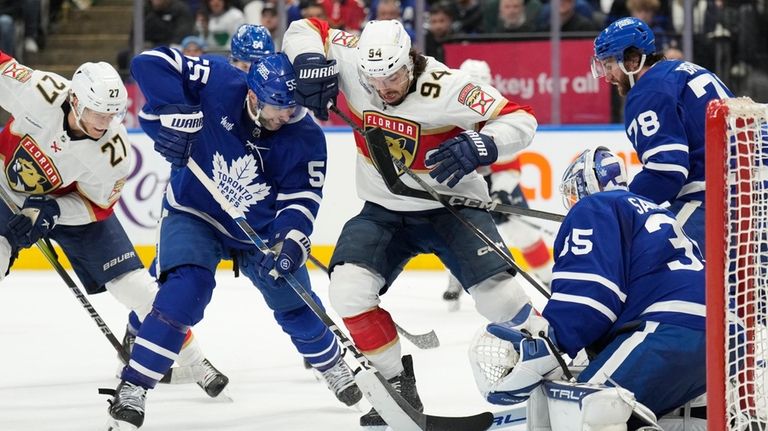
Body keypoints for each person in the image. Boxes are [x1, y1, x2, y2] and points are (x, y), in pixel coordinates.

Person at [283, 18, 538, 427]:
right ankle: (395, 384)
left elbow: (522, 119)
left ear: (411, 61)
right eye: (373, 80)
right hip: (385, 210)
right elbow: (305, 26)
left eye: (393, 77)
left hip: (452, 208)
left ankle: (553, 361)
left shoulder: (448, 86)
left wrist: (483, 142)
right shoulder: (352, 60)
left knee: (501, 300)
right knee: (348, 291)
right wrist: (310, 60)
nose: (384, 89)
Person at [106, 49, 362, 429]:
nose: (284, 116)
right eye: (276, 108)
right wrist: (178, 113)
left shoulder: (305, 135)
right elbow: (148, 63)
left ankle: (333, 366)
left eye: (289, 108)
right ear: (253, 96)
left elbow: (302, 199)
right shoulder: (219, 80)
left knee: (295, 300)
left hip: (258, 230)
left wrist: (289, 241)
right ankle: (134, 387)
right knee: (182, 294)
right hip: (196, 212)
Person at [0, 51, 227, 397]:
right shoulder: (39, 90)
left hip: (70, 207)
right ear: (74, 100)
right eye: (96, 113)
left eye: (111, 114)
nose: (103, 123)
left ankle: (196, 359)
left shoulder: (114, 153)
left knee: (137, 288)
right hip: (3, 189)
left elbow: (97, 205)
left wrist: (54, 211)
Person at [469, 147, 706, 428]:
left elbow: (591, 296)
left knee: (582, 415)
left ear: (584, 184)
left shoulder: (595, 206)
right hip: (719, 340)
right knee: (675, 421)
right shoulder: (656, 212)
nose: (572, 202)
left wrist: (552, 339)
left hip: (667, 331)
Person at [591, 16, 734, 253]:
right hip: (752, 190)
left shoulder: (648, 91)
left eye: (609, 65)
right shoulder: (683, 70)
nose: (607, 77)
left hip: (714, 198)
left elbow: (666, 172)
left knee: (658, 264)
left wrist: (622, 206)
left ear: (633, 60)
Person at [442, 59, 553, 311]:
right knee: (461, 234)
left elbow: (509, 164)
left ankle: (548, 278)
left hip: (497, 183)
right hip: (465, 182)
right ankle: (455, 280)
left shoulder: (497, 112)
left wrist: (501, 192)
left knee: (523, 234)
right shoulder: (447, 112)